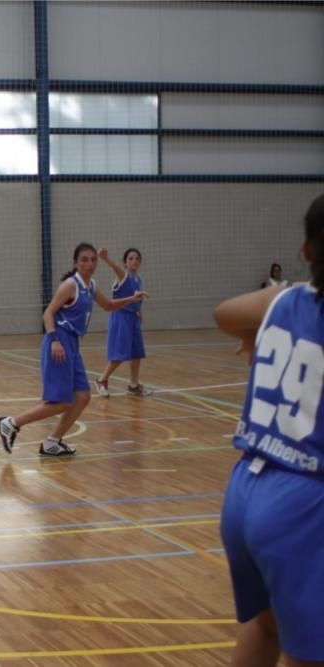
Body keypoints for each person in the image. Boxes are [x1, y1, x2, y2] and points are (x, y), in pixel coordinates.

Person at [214, 193, 324, 667]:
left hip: (243, 492)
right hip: (301, 504)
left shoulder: (284, 299)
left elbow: (224, 313)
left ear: (305, 251)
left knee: (264, 629)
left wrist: (254, 335)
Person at [0, 243, 147, 457]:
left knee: (83, 397)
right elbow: (48, 313)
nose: (89, 264)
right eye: (84, 260)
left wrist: (132, 299)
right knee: (61, 402)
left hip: (73, 344)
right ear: (75, 263)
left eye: (93, 260)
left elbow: (109, 306)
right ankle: (11, 423)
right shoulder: (70, 285)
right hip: (59, 342)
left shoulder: (91, 285)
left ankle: (52, 442)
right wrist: (54, 339)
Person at [94, 247, 152, 397]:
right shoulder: (123, 275)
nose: (134, 261)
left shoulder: (138, 279)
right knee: (120, 353)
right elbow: (115, 267)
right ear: (125, 263)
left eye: (137, 258)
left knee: (136, 353)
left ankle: (133, 386)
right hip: (121, 317)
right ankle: (101, 380)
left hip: (133, 318)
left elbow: (137, 298)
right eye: (130, 258)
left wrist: (139, 311)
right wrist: (105, 258)